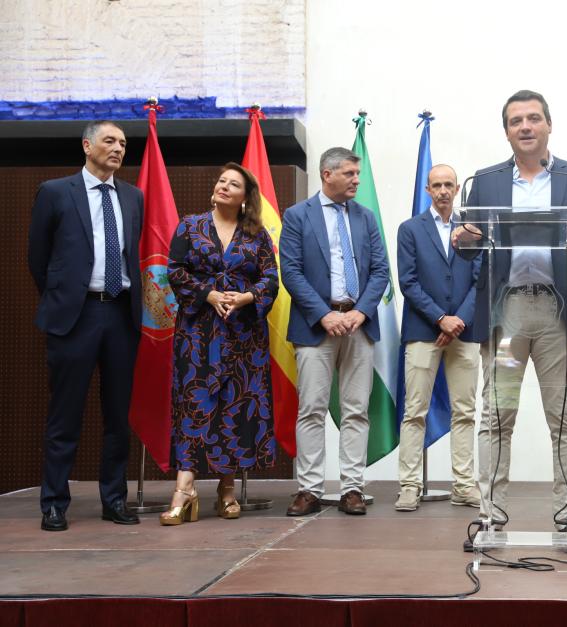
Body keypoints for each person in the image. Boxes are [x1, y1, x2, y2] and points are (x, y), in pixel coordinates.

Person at [453, 90, 567, 535]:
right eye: (515, 121)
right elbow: (469, 240)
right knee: (497, 415)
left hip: (555, 313)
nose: (524, 127)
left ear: (548, 125)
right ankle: (492, 515)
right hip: (506, 315)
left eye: (533, 119)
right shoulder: (484, 182)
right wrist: (462, 238)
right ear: (506, 131)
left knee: (564, 416)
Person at [28, 120, 144, 531]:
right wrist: (66, 296)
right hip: (74, 317)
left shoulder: (133, 197)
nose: (118, 149)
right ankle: (54, 503)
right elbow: (38, 259)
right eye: (110, 141)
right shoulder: (56, 192)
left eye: (124, 144)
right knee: (65, 415)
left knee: (117, 417)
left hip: (120, 315)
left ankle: (114, 500)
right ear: (86, 145)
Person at [160, 162, 279, 525]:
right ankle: (185, 489)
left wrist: (245, 298)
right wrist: (209, 294)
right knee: (196, 403)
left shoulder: (256, 234)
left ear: (246, 197)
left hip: (243, 334)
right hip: (198, 333)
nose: (224, 187)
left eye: (234, 184)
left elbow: (271, 277)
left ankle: (226, 490)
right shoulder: (190, 225)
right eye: (222, 181)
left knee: (234, 405)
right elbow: (175, 270)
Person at [280, 147, 390, 517]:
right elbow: (291, 271)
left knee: (357, 410)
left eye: (358, 174)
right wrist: (324, 315)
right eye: (350, 174)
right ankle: (309, 489)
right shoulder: (297, 216)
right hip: (315, 327)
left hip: (359, 325)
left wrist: (360, 312)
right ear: (327, 174)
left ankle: (352, 488)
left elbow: (380, 271)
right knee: (311, 408)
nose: (357, 180)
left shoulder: (366, 217)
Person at [395, 164, 482, 512]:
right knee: (414, 411)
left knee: (465, 411)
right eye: (437, 185)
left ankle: (463, 484)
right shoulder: (410, 229)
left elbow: (482, 279)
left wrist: (459, 319)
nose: (443, 191)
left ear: (457, 188)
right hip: (422, 330)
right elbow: (408, 281)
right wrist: (440, 319)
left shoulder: (473, 230)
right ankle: (409, 485)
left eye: (449, 184)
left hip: (466, 328)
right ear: (428, 190)